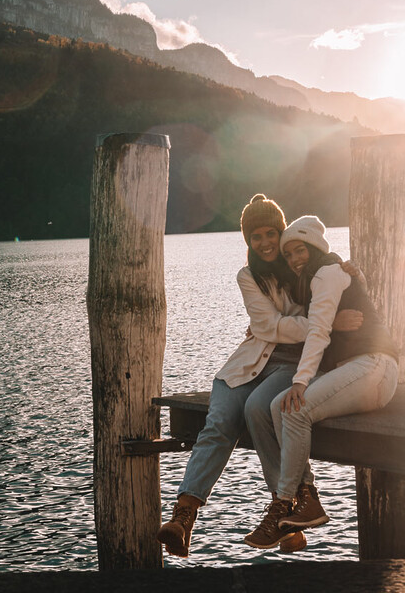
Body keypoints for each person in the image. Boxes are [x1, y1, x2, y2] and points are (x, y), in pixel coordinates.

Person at [156, 196, 362, 558]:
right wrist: (318, 324)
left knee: (258, 408)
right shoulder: (248, 275)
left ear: (283, 233)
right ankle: (182, 519)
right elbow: (267, 324)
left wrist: (350, 277)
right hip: (247, 363)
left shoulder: (304, 261)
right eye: (256, 237)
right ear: (247, 241)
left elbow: (331, 288)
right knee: (218, 421)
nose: (266, 243)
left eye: (271, 233)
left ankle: (285, 513)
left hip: (290, 363)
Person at [244, 215, 399, 549]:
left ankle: (287, 502)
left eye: (301, 251)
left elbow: (317, 332)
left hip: (374, 367)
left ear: (315, 248)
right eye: (289, 255)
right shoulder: (317, 278)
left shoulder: (328, 273)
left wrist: (300, 382)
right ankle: (306, 497)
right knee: (277, 405)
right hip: (354, 371)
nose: (296, 259)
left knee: (296, 408)